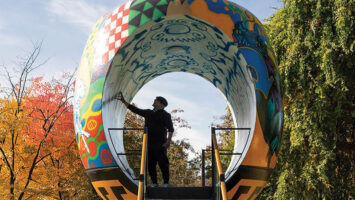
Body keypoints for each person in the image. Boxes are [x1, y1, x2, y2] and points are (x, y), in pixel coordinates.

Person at [117, 92, 174, 188]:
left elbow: (171, 129)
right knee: (150, 164)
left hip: (160, 143)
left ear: (161, 104)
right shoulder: (148, 112)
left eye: (155, 100)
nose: (154, 101)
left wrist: (168, 141)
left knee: (163, 163)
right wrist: (123, 101)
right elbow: (135, 110)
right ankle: (154, 183)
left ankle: (166, 182)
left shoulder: (165, 115)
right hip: (148, 143)